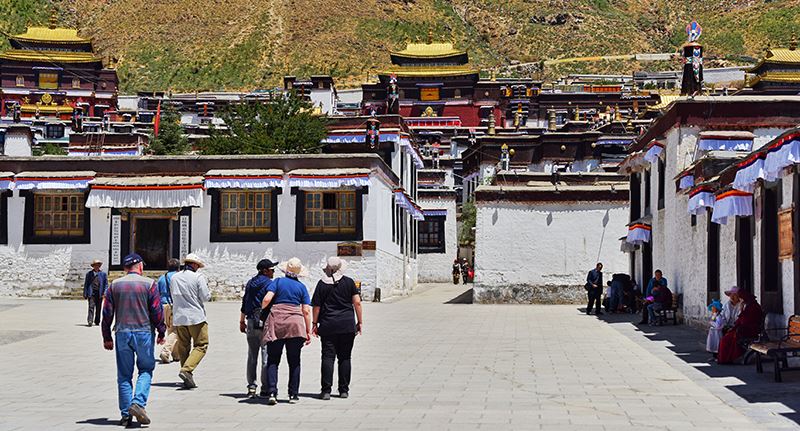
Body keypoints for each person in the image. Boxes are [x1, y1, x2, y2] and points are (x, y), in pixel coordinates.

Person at [101, 253, 165, 427]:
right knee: (145, 369)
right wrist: (161, 330)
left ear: (125, 268)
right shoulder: (150, 284)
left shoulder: (114, 285)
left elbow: (106, 313)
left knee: (124, 375)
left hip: (122, 333)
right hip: (144, 332)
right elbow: (156, 311)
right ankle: (138, 402)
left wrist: (106, 336)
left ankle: (125, 414)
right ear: (140, 267)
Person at [261, 257, 312, 406]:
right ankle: (293, 394)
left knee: (273, 359)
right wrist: (308, 331)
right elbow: (306, 310)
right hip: (295, 325)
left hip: (277, 323)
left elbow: (266, 299)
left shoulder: (277, 282)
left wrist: (263, 311)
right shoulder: (301, 287)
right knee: (294, 361)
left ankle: (272, 392)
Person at [311, 257, 363, 400]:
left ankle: (326, 390)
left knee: (328, 357)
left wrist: (314, 323)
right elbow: (357, 303)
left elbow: (316, 306)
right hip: (347, 325)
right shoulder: (349, 282)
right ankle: (343, 390)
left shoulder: (321, 284)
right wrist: (360, 322)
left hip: (328, 325)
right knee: (345, 357)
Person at [171, 253, 211, 389]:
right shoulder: (198, 277)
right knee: (201, 345)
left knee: (183, 346)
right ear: (194, 265)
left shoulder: (174, 278)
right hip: (196, 316)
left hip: (179, 316)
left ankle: (186, 376)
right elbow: (205, 297)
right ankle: (186, 370)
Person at [239, 259, 277, 398]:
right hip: (264, 321)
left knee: (251, 355)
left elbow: (245, 302)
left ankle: (251, 386)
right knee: (266, 354)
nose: (273, 272)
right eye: (272, 269)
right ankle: (265, 387)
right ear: (265, 270)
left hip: (250, 320)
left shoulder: (250, 283)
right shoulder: (270, 284)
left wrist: (241, 320)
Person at [717, 289, 763, 364]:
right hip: (743, 328)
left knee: (726, 340)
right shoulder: (749, 305)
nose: (740, 300)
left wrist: (741, 310)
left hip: (749, 330)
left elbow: (745, 321)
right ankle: (726, 358)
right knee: (725, 338)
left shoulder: (753, 307)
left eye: (741, 298)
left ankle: (728, 358)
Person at [156, 258, 180, 364]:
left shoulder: (162, 278)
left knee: (170, 329)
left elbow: (157, 293)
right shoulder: (178, 277)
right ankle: (166, 351)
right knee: (176, 330)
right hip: (174, 305)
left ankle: (176, 354)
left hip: (163, 305)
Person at [83, 259, 108, 327]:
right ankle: (90, 320)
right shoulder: (89, 274)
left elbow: (106, 284)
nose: (96, 266)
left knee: (98, 308)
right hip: (91, 293)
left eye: (98, 265)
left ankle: (97, 320)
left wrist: (105, 292)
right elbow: (86, 284)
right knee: (91, 307)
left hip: (99, 293)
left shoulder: (103, 274)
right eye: (95, 265)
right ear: (93, 266)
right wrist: (85, 293)